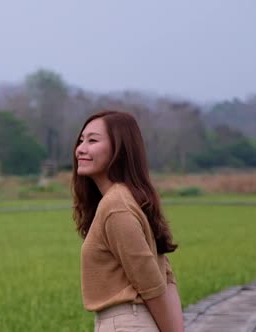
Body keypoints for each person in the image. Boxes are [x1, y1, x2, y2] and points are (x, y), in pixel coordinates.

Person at [72, 110, 184, 332]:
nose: (80, 149)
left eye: (92, 140)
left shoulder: (116, 207)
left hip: (125, 324)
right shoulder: (128, 200)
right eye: (81, 140)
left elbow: (151, 282)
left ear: (119, 150)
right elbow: (166, 276)